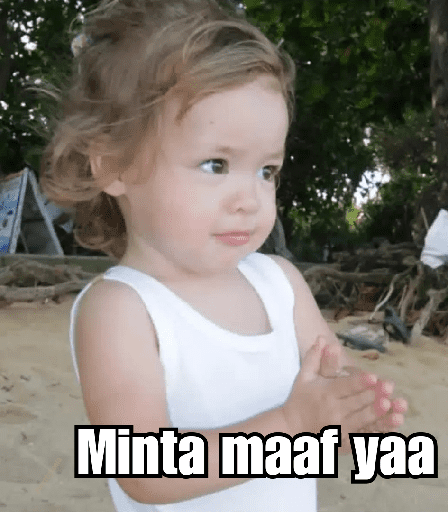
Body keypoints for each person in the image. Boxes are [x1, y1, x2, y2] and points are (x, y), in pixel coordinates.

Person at [40, 1, 407, 510]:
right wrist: (289, 427)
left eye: (266, 171)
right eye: (216, 164)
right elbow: (142, 468)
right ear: (114, 165)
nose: (249, 199)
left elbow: (328, 390)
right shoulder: (121, 310)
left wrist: (351, 417)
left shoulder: (281, 285)